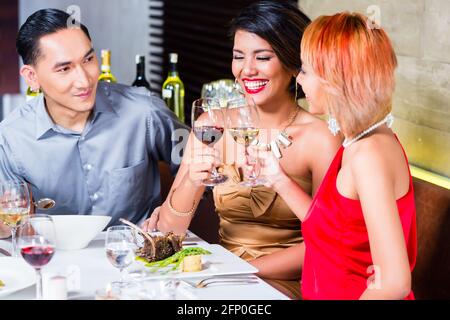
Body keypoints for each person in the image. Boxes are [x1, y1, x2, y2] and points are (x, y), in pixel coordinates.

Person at [142, 1, 342, 299]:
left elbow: (331, 241)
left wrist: (238, 269)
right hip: (217, 279)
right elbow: (170, 235)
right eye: (239, 57)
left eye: (262, 57)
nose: (247, 70)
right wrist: (191, 181)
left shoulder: (320, 138)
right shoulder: (213, 124)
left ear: (291, 63)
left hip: (283, 283)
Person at [253, 12, 417, 299]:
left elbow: (394, 283)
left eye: (305, 70)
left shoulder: (370, 154)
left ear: (334, 80)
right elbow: (333, 230)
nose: (299, 81)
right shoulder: (357, 140)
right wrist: (277, 179)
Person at [0, 8, 188, 238]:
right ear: (32, 77)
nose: (84, 80)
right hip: (55, 263)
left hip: (139, 261)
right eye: (65, 68)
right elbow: (9, 225)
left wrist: (171, 209)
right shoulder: (12, 138)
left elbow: (199, 167)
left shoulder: (143, 112)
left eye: (88, 59)